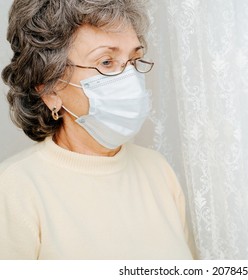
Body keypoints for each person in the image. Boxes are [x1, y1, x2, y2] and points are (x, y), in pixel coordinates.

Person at [0, 0, 194, 260]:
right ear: (49, 88)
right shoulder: (15, 189)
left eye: (134, 59)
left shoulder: (158, 171)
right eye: (106, 62)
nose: (130, 79)